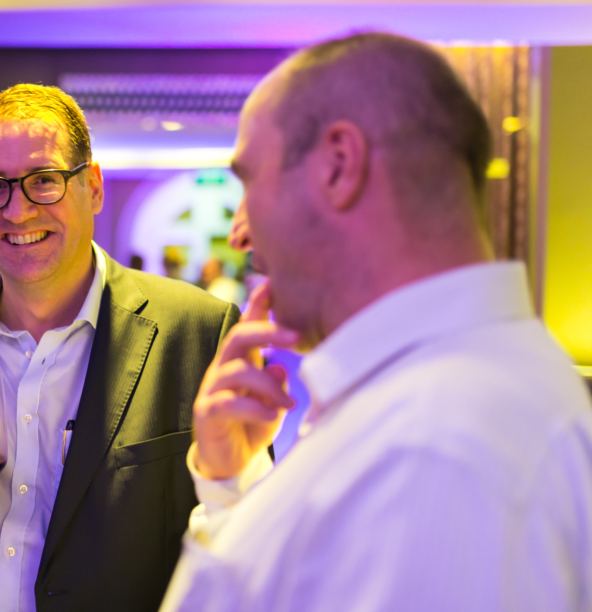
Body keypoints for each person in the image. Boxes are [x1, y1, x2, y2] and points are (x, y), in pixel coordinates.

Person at [161, 32, 592, 611]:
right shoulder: (432, 401)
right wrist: (229, 487)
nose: (238, 232)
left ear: (339, 165)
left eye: (249, 181)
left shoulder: (435, 453)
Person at [0, 84, 239, 612]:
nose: (18, 211)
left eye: (44, 181)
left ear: (92, 187)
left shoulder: (196, 332)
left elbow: (248, 526)